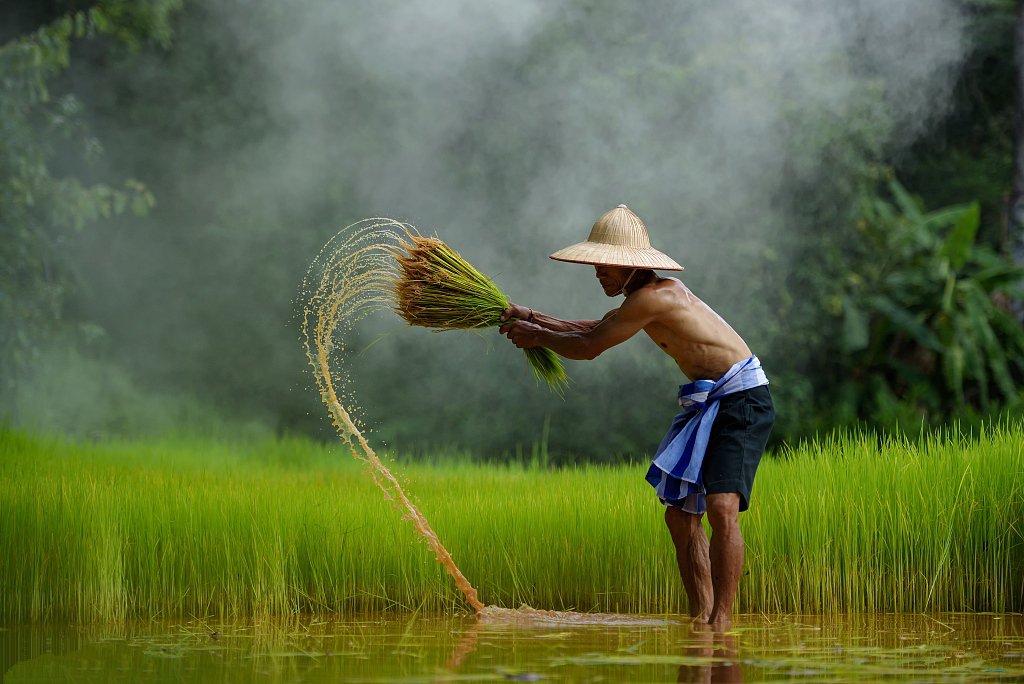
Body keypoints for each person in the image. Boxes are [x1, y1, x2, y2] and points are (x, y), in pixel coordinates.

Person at [498, 204, 775, 627]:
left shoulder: (656, 297)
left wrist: (537, 336)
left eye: (603, 265)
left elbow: (590, 347)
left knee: (721, 507)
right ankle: (699, 616)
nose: (596, 273)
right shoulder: (639, 301)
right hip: (710, 401)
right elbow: (595, 328)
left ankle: (721, 623)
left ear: (628, 265)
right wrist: (533, 317)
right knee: (680, 517)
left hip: (742, 400)